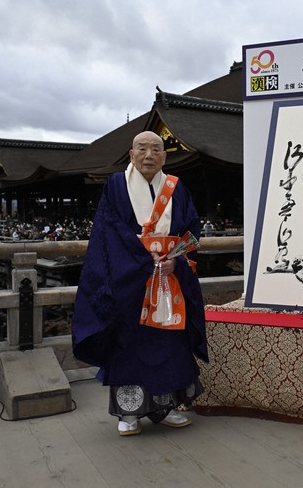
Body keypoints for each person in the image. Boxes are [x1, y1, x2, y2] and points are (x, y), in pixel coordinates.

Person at [72, 131, 208, 436]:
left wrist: (177, 261)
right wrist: (144, 263)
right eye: (142, 149)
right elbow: (108, 234)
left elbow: (192, 231)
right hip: (129, 280)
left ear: (164, 157)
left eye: (156, 150)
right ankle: (128, 413)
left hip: (169, 278)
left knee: (170, 343)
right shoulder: (116, 186)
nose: (149, 155)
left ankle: (167, 408)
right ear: (131, 155)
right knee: (128, 345)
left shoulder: (176, 187)